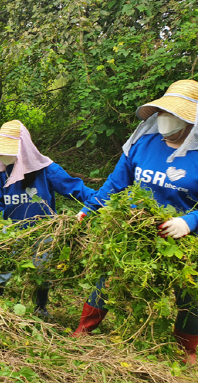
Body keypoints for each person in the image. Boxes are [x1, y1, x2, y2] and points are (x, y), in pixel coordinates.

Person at [72, 79, 198, 364]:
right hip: (135, 228)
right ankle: (84, 329)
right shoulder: (143, 144)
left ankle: (187, 350)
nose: (165, 120)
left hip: (182, 237)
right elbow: (115, 185)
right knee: (108, 277)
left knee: (192, 291)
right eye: (163, 113)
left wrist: (190, 221)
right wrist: (89, 209)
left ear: (192, 122)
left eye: (174, 115)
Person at [0, 120, 96, 315]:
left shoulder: (46, 170)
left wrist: (93, 205)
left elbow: (76, 188)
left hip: (43, 231)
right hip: (12, 231)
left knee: (42, 270)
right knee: (1, 266)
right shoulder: (1, 174)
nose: (3, 156)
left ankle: (40, 308)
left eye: (9, 150)